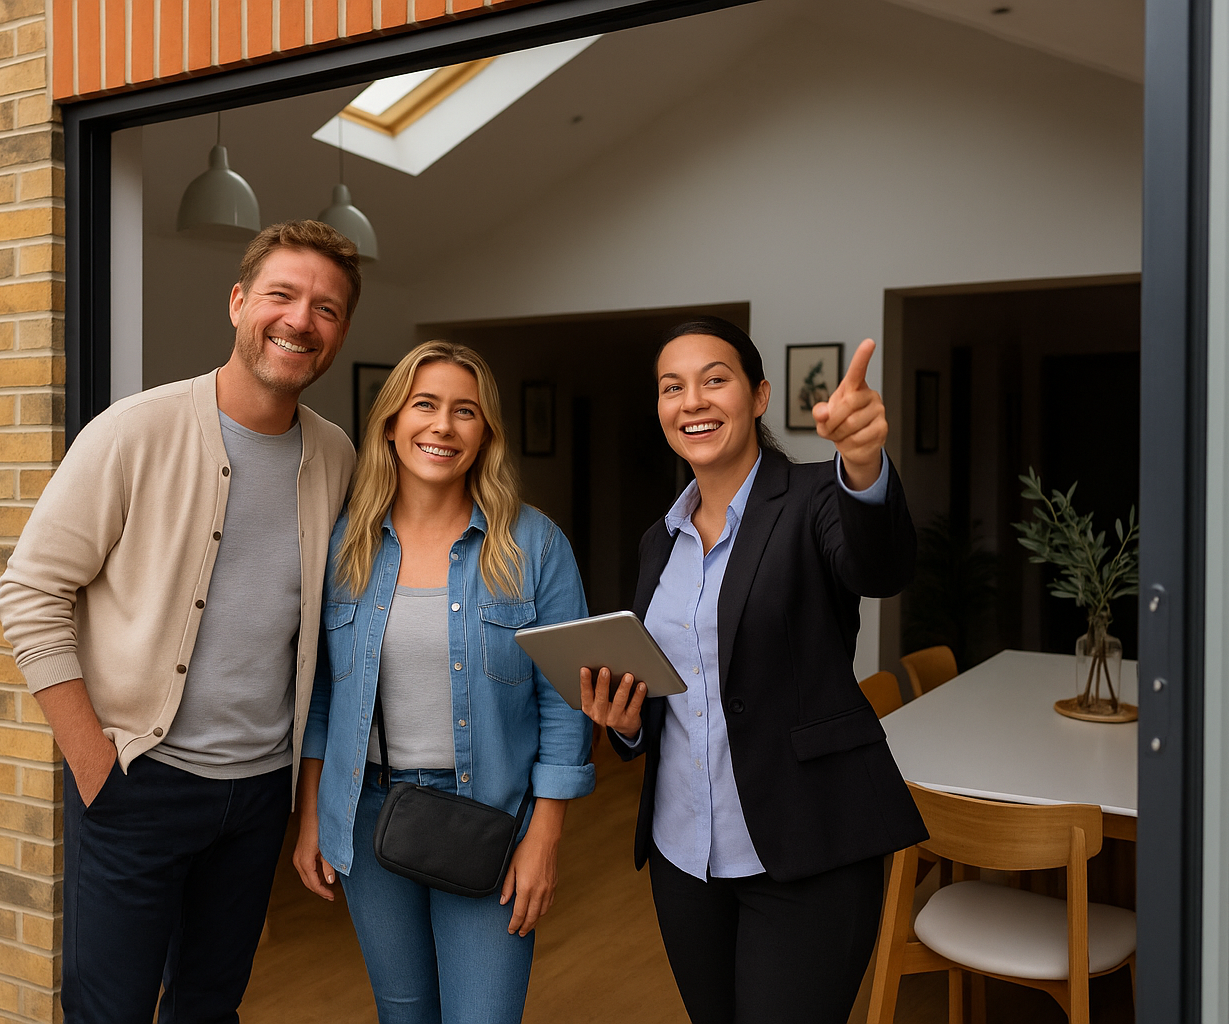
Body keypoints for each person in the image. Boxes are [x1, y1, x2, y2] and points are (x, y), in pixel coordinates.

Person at [0, 221, 361, 1024]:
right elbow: (28, 592)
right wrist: (94, 764)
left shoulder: (337, 457)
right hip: (137, 782)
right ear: (238, 303)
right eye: (281, 295)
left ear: (340, 332)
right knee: (109, 1012)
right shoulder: (134, 431)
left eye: (326, 308)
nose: (300, 320)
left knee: (210, 1008)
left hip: (257, 795)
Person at [579, 317, 927, 1024]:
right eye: (672, 387)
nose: (692, 401)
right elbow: (675, 691)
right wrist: (626, 725)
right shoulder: (659, 541)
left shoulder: (816, 497)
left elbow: (881, 569)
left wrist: (863, 466)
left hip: (807, 849)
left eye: (715, 379)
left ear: (759, 395)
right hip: (685, 858)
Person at [293, 341, 594, 1024]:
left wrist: (544, 837)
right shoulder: (344, 546)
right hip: (368, 813)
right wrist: (312, 814)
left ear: (485, 433)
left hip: (491, 818)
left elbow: (566, 702)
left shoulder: (534, 545)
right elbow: (322, 697)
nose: (443, 426)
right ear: (391, 423)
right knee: (403, 1014)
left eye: (466, 411)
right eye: (424, 405)